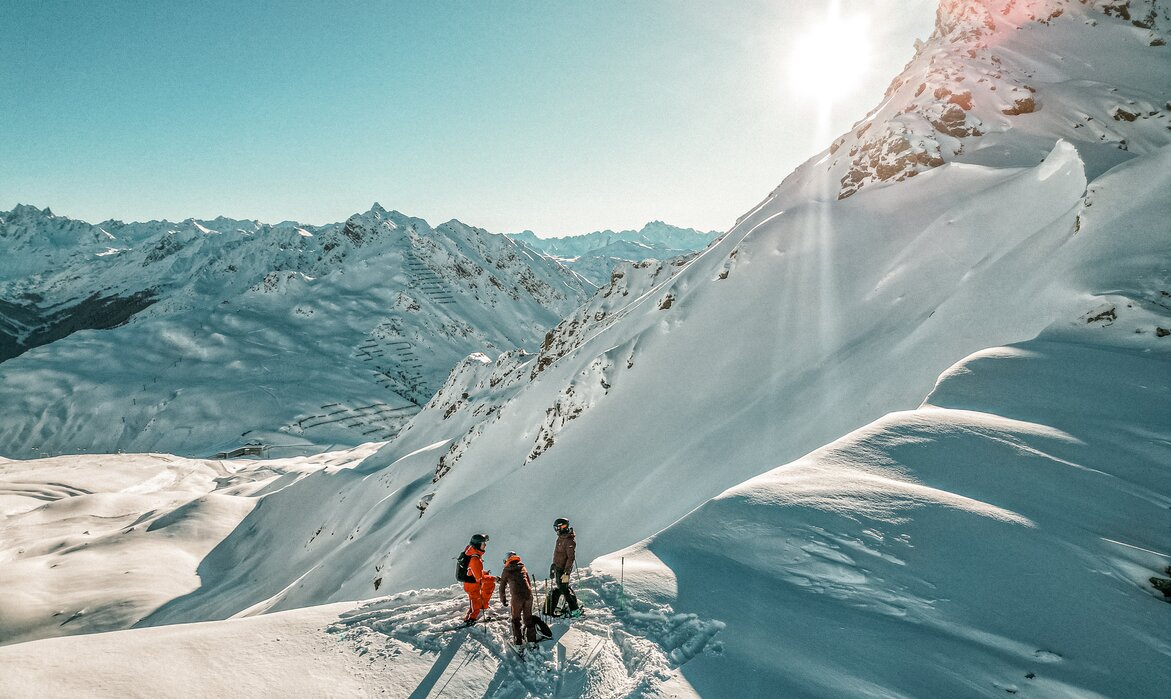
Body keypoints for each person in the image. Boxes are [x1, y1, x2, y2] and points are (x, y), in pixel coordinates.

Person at [498, 551, 541, 647]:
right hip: (528, 596)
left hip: (517, 598)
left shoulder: (506, 570)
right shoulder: (523, 567)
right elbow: (528, 582)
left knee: (516, 619)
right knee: (528, 619)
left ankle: (518, 643)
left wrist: (503, 600)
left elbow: (502, 588)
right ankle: (532, 641)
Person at [456, 533, 496, 623]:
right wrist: (494, 578)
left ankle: (482, 607)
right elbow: (480, 579)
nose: (485, 545)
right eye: (483, 543)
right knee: (475, 602)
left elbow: (474, 572)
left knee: (487, 588)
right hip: (472, 584)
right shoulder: (475, 559)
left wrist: (485, 574)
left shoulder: (473, 554)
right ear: (478, 545)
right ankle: (470, 618)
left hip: (471, 581)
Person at [549, 517, 582, 617]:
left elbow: (570, 558)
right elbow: (558, 554)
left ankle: (575, 610)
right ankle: (560, 605)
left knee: (564, 589)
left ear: (563, 527)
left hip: (564, 569)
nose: (557, 530)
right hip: (558, 567)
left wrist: (566, 572)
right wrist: (553, 565)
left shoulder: (569, 540)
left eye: (558, 527)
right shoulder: (561, 538)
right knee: (561, 587)